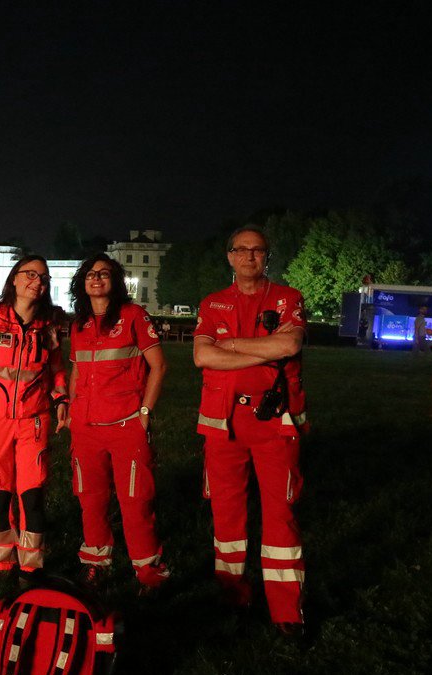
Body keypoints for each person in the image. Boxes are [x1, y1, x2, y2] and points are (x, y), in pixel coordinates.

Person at [193, 225, 308, 636]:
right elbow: (201, 356)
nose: (249, 256)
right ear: (229, 256)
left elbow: (288, 347)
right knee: (227, 516)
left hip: (275, 423)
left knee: (280, 517)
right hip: (223, 423)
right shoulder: (213, 303)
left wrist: (232, 346)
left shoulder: (288, 298)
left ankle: (286, 612)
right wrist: (260, 348)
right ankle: (232, 596)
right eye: (241, 250)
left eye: (257, 250)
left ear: (267, 257)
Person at [0, 255, 67, 575]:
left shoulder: (49, 326)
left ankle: (31, 566)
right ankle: (2, 561)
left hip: (34, 420)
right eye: (30, 274)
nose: (37, 281)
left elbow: (57, 368)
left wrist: (61, 398)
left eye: (43, 277)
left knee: (32, 495)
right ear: (14, 279)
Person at [66, 255, 170, 592]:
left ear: (116, 281)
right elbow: (77, 370)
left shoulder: (133, 316)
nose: (97, 279)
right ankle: (96, 563)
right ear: (83, 282)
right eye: (91, 274)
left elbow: (159, 366)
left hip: (126, 424)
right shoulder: (79, 324)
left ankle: (149, 572)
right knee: (90, 498)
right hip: (86, 428)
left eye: (104, 274)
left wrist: (145, 413)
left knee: (135, 499)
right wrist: (71, 409)